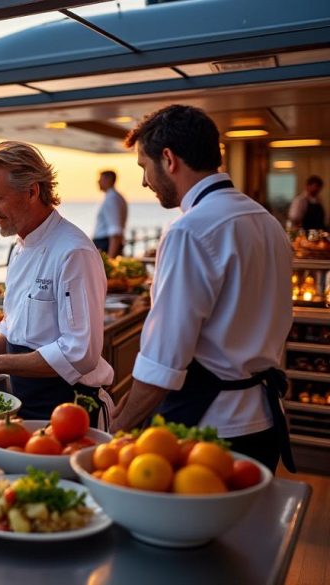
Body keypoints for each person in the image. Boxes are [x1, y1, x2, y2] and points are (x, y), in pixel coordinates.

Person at [111, 105, 294, 473]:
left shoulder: (189, 230)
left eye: (143, 167)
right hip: (264, 422)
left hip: (209, 432)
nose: (145, 181)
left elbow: (164, 359)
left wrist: (114, 430)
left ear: (169, 159)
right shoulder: (266, 221)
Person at [0, 141, 114, 425]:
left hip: (72, 410)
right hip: (25, 409)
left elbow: (80, 354)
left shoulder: (73, 252)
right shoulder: (19, 247)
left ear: (32, 191)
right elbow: (16, 332)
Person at [91, 170, 128, 257]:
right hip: (105, 244)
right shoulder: (116, 197)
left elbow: (115, 231)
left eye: (101, 179)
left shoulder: (112, 198)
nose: (98, 181)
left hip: (105, 246)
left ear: (109, 179)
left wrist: (111, 259)